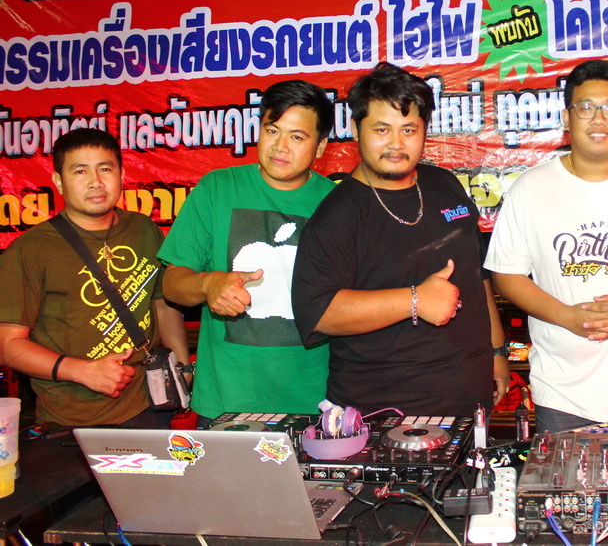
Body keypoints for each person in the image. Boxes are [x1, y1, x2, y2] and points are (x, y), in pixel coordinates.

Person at [292, 62, 508, 417]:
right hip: (384, 412)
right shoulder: (338, 215)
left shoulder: (445, 184)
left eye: (409, 129)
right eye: (382, 129)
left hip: (470, 398)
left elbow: (477, 275)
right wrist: (415, 300)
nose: (396, 144)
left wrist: (497, 352)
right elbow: (319, 312)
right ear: (356, 128)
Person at [485, 60, 608, 433]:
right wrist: (567, 317)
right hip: (562, 390)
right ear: (567, 117)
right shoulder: (531, 187)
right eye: (586, 108)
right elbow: (507, 275)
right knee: (561, 474)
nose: (599, 119)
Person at [160, 80, 335, 424]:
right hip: (226, 400)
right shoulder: (216, 188)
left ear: (320, 146)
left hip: (316, 402)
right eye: (272, 130)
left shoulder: (337, 204)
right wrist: (209, 284)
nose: (280, 146)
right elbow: (172, 284)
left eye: (297, 137)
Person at [0, 129, 189, 428]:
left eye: (105, 169)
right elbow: (8, 345)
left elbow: (162, 304)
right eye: (80, 171)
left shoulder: (143, 229)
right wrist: (81, 371)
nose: (95, 182)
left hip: (149, 404)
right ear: (58, 182)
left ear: (122, 175)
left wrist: (183, 366)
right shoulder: (30, 250)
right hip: (73, 417)